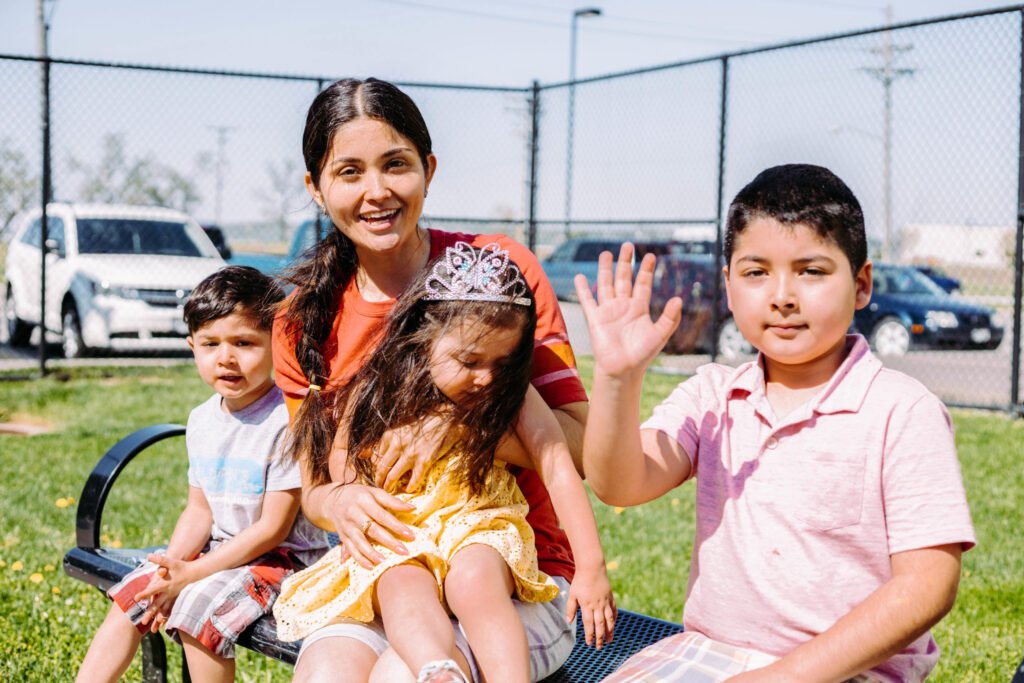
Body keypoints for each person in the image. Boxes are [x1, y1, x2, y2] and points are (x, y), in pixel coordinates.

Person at [577, 164, 975, 682]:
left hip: (849, 670)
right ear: (728, 284)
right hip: (709, 653)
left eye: (811, 271)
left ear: (861, 284)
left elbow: (927, 586)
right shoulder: (713, 394)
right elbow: (620, 484)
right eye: (756, 272)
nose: (782, 295)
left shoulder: (901, 410)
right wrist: (615, 380)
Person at [271, 77, 592, 682]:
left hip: (510, 571)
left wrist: (450, 426)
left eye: (396, 164)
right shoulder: (299, 323)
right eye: (349, 172)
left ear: (428, 168)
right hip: (390, 574)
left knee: (404, 677)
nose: (377, 191)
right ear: (315, 187)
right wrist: (341, 501)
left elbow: (577, 449)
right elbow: (314, 491)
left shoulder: (495, 277)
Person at [274, 242, 614, 683]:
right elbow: (343, 454)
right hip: (404, 532)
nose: (487, 377)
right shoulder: (378, 385)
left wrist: (591, 568)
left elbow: (558, 467)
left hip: (477, 526)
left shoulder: (511, 395)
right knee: (399, 586)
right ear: (426, 336)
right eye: (469, 361)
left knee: (474, 579)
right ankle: (438, 668)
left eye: (504, 362)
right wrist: (350, 490)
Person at [75, 266, 328, 683]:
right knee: (135, 595)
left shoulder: (286, 420)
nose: (225, 357)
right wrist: (170, 568)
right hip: (226, 550)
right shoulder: (202, 419)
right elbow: (198, 511)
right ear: (193, 346)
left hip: (287, 560)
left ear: (279, 345)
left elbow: (272, 529)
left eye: (244, 343)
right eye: (210, 344)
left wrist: (192, 575)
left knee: (195, 608)